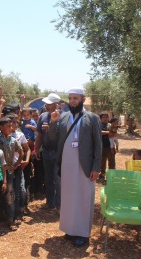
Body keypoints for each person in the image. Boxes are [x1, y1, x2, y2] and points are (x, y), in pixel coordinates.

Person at [49, 88, 102, 247]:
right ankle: (70, 230)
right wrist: (53, 123)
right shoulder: (63, 117)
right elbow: (53, 138)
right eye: (70, 98)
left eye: (75, 98)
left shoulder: (92, 118)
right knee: (69, 197)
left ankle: (83, 234)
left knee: (84, 198)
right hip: (67, 164)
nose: (72, 101)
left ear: (83, 100)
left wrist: (96, 167)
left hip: (84, 165)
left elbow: (98, 145)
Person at [34, 93, 61, 210]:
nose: (47, 106)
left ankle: (59, 205)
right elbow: (39, 134)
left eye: (49, 104)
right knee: (48, 178)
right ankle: (50, 203)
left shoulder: (64, 117)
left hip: (59, 152)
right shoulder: (43, 116)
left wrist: (52, 128)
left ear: (56, 104)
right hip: (46, 151)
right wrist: (36, 149)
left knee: (58, 179)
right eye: (47, 104)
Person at [0, 117, 23, 230]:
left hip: (9, 172)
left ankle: (10, 220)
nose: (11, 128)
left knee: (10, 195)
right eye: (8, 126)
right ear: (1, 127)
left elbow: (21, 152)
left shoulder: (13, 140)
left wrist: (16, 165)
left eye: (11, 126)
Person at [100, 113, 115, 180]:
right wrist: (109, 132)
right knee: (102, 162)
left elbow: (114, 133)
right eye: (103, 117)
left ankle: (111, 176)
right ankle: (102, 174)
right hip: (101, 146)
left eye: (106, 117)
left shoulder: (111, 125)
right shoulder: (98, 125)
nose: (105, 118)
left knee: (111, 162)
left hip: (110, 147)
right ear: (101, 118)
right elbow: (99, 132)